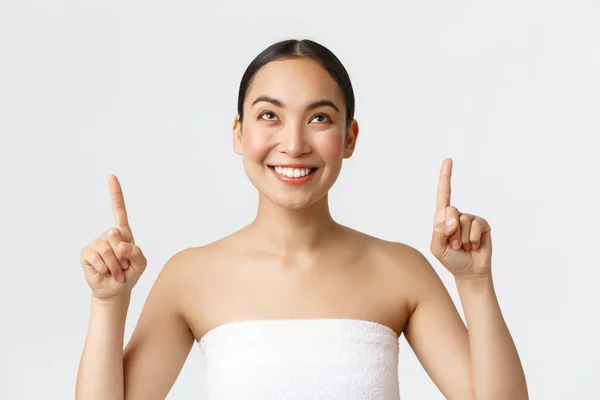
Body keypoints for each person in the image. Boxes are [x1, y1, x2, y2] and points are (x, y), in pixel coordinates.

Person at [75, 39, 528, 400]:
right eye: (269, 115)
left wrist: (475, 283)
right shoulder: (190, 277)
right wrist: (108, 303)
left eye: (319, 118)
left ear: (349, 137)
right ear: (239, 133)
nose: (293, 144)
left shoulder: (400, 271)